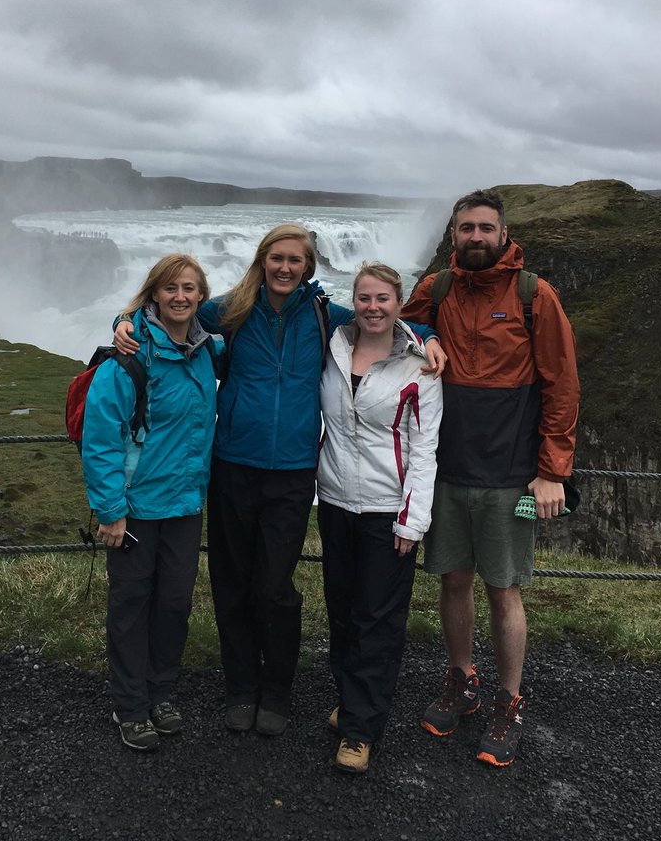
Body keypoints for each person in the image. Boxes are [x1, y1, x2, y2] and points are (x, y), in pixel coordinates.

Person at [113, 223, 445, 737]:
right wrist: (125, 320)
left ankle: (278, 690)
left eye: (296, 260)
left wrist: (428, 336)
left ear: (307, 267)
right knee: (232, 583)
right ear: (262, 260)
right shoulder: (230, 309)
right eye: (277, 258)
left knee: (274, 586)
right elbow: (165, 311)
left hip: (292, 473)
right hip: (233, 464)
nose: (286, 267)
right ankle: (241, 688)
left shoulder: (323, 316)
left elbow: (379, 320)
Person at [401, 189, 580, 767]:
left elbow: (562, 385)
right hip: (446, 469)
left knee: (504, 589)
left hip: (509, 474)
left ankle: (509, 699)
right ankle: (462, 680)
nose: (474, 237)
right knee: (452, 581)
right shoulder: (439, 288)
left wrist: (552, 471)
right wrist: (425, 338)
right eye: (465, 229)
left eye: (485, 228)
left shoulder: (535, 296)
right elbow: (398, 331)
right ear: (453, 235)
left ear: (504, 234)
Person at [81, 253, 224, 752]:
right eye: (170, 289)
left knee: (173, 605)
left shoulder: (210, 351)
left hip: (185, 505)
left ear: (202, 297)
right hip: (137, 509)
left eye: (189, 288)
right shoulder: (130, 358)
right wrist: (110, 511)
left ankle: (161, 692)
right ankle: (130, 704)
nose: (180, 297)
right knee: (130, 606)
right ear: (154, 296)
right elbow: (101, 437)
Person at [317, 262, 442, 775]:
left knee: (378, 620)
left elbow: (426, 449)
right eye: (365, 298)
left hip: (388, 511)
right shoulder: (332, 346)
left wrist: (412, 521)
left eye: (383, 299)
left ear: (399, 303)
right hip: (334, 502)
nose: (373, 307)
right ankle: (352, 701)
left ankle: (361, 730)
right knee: (343, 611)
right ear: (355, 301)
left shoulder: (419, 368)